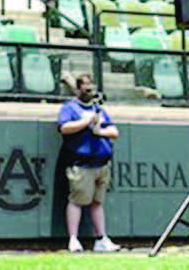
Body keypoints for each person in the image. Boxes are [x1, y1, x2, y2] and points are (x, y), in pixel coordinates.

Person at [56, 73, 120, 253]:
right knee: (76, 201)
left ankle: (101, 239)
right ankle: (74, 240)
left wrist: (100, 131)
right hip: (81, 164)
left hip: (101, 163)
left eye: (91, 87)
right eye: (85, 87)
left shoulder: (98, 109)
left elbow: (114, 130)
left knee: (97, 202)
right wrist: (86, 121)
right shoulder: (70, 108)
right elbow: (64, 128)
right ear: (77, 89)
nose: (89, 90)